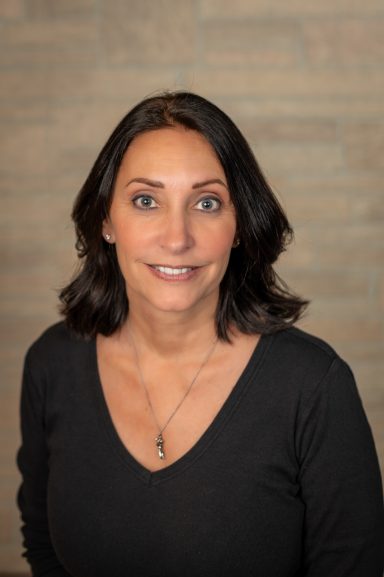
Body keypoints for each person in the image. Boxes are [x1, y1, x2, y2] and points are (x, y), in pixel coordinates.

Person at [17, 91, 384, 577]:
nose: (176, 238)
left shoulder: (314, 387)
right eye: (146, 200)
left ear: (239, 227)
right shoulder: (52, 363)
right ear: (107, 220)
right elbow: (44, 547)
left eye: (207, 202)